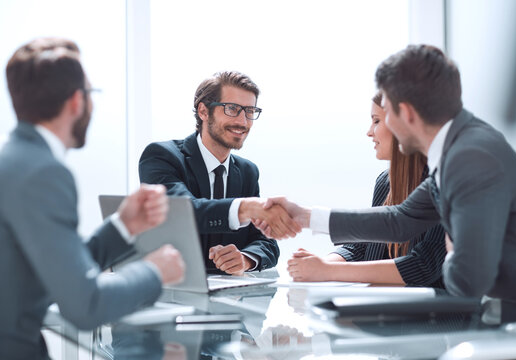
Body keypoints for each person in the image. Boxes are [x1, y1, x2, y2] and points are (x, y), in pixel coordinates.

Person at [258, 45, 516, 304]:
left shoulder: (470, 157)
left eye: (387, 113)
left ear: (406, 112)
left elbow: (467, 280)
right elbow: (401, 219)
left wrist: (453, 249)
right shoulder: (460, 148)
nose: (382, 125)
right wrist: (303, 216)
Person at [0, 38, 185, 359]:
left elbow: (53, 272)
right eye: (91, 94)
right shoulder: (44, 173)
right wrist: (154, 271)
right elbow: (85, 304)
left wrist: (124, 225)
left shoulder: (15, 162)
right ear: (76, 101)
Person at [139, 71, 300, 275]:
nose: (243, 122)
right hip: (172, 294)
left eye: (250, 111)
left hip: (230, 299)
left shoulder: (247, 171)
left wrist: (245, 259)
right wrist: (247, 207)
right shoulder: (162, 156)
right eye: (232, 109)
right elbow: (183, 212)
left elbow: (266, 242)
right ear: (204, 111)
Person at [287, 92, 446, 286]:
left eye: (376, 121)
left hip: (436, 311)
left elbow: (423, 266)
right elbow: (363, 248)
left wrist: (326, 270)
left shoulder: (443, 181)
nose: (369, 132)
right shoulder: (385, 182)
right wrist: (319, 264)